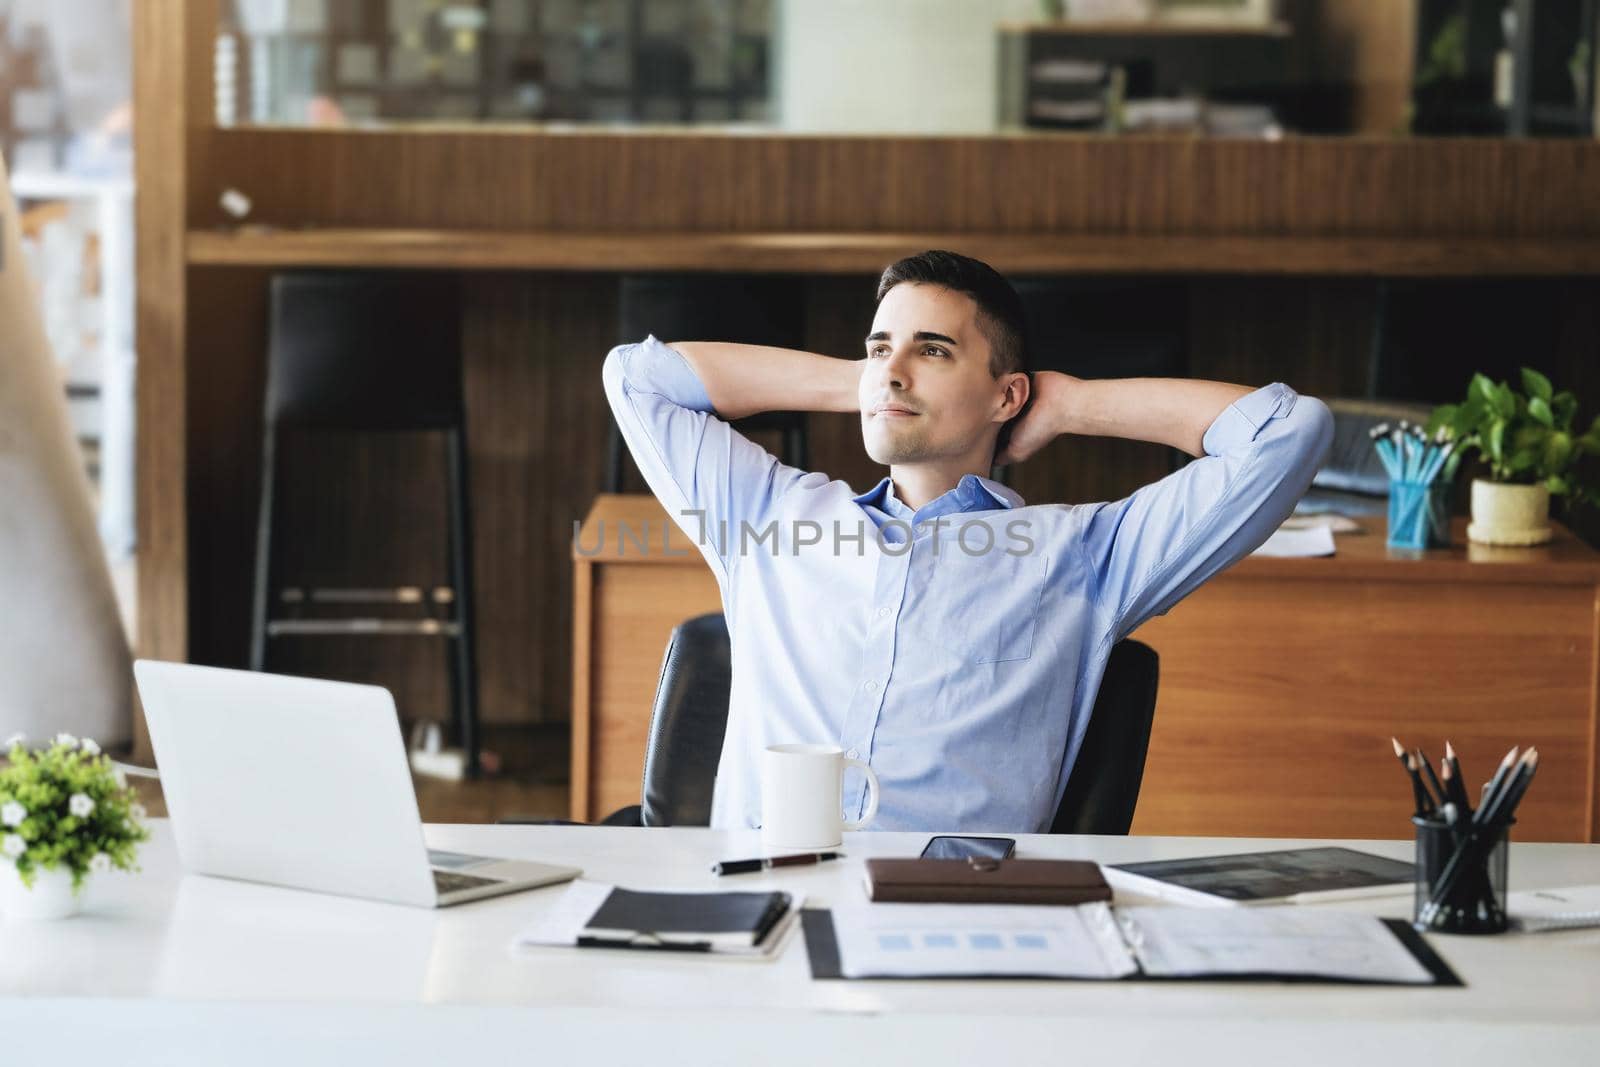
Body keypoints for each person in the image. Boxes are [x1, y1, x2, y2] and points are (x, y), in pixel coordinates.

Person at [603, 250, 1332, 832]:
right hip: (760, 909)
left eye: (934, 350)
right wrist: (864, 384)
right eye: (880, 345)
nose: (894, 366)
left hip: (953, 926)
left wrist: (1070, 403)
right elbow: (637, 378)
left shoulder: (1082, 553)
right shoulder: (768, 516)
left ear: (1006, 395)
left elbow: (1288, 431)